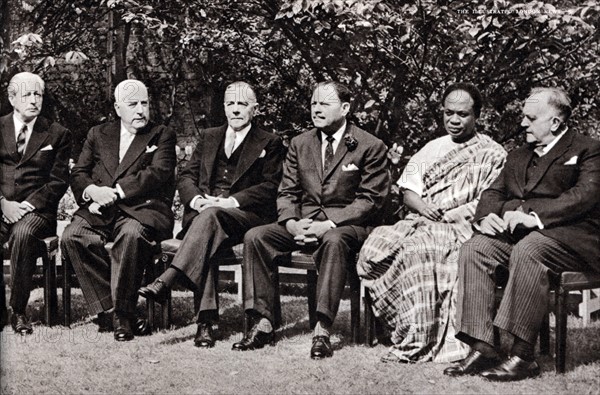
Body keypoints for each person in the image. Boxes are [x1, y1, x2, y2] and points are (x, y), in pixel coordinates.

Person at [445, 87, 600, 381]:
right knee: (475, 248)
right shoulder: (518, 155)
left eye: (531, 118)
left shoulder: (588, 149)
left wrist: (532, 217)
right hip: (526, 240)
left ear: (554, 122)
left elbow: (584, 197)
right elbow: (494, 192)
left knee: (530, 248)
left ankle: (522, 355)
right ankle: (483, 347)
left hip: (575, 241)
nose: (523, 124)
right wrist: (487, 216)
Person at [236, 81, 389, 359]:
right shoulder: (299, 143)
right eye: (313, 103)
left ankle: (322, 328)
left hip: (347, 227)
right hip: (304, 223)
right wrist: (292, 222)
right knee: (256, 237)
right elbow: (287, 191)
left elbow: (370, 200)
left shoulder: (370, 145)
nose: (316, 109)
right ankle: (264, 321)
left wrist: (328, 223)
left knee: (333, 239)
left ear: (345, 108)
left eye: (324, 104)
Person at [356, 83, 507, 363]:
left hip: (462, 227)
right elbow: (407, 189)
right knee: (375, 247)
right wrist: (424, 207)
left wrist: (452, 213)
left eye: (462, 114)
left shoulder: (494, 154)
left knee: (420, 251)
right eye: (449, 113)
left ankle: (421, 339)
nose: (454, 120)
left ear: (477, 116)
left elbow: (490, 200)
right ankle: (402, 326)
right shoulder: (430, 148)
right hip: (422, 219)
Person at [138, 81, 285, 348]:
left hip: (246, 219)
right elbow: (187, 176)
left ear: (255, 109)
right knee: (206, 231)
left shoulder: (270, 142)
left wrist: (231, 201)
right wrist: (196, 200)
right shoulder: (209, 136)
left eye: (242, 104)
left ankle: (172, 282)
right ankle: (206, 323)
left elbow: (271, 187)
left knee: (208, 222)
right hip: (205, 216)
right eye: (230, 104)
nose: (236, 110)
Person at [61, 79, 176, 341]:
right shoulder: (98, 133)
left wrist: (116, 192)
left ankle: (123, 315)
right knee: (72, 236)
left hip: (141, 209)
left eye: (144, 103)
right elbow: (79, 172)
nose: (140, 110)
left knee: (131, 237)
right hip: (100, 208)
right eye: (132, 104)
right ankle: (110, 307)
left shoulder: (162, 134)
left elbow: (158, 173)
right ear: (117, 108)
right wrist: (92, 191)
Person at [0, 72, 71, 335]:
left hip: (37, 212)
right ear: (11, 98)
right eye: (27, 94)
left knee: (23, 234)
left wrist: (26, 206)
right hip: (2, 206)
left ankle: (18, 311)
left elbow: (58, 180)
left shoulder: (57, 133)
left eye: (38, 94)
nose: (33, 100)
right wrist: (3, 203)